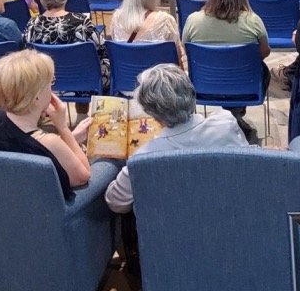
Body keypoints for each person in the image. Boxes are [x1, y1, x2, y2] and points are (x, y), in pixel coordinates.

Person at [104, 64, 247, 213]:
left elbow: (115, 202)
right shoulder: (226, 123)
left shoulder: (143, 158)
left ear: (150, 113)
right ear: (192, 93)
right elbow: (247, 169)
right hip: (231, 219)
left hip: (171, 231)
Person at [0, 50, 92, 199]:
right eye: (50, 83)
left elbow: (25, 146)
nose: (52, 89)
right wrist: (63, 128)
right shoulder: (50, 142)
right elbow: (83, 176)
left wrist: (70, 139)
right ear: (36, 96)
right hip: (47, 213)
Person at [182, 0, 270, 142]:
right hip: (245, 86)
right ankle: (235, 113)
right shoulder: (253, 20)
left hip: (205, 86)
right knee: (262, 70)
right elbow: (264, 52)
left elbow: (188, 51)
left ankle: (228, 115)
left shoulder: (193, 20)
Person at [23, 0, 110, 89]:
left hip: (45, 85)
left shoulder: (32, 24)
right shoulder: (81, 22)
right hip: (84, 84)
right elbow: (102, 50)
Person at [109, 0, 184, 64]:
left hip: (126, 77)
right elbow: (177, 57)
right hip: (156, 77)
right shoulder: (164, 21)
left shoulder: (116, 19)